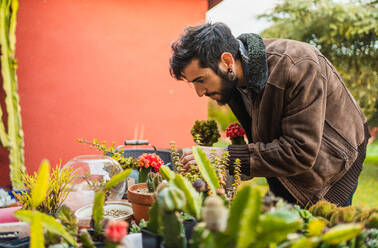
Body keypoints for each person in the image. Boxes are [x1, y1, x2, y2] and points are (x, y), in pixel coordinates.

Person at [169, 22, 370, 207]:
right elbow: (264, 140)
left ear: (227, 61)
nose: (199, 92)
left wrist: (223, 156)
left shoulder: (297, 65)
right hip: (289, 162)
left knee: (321, 235)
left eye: (200, 80)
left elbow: (300, 152)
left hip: (336, 161)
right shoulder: (232, 81)